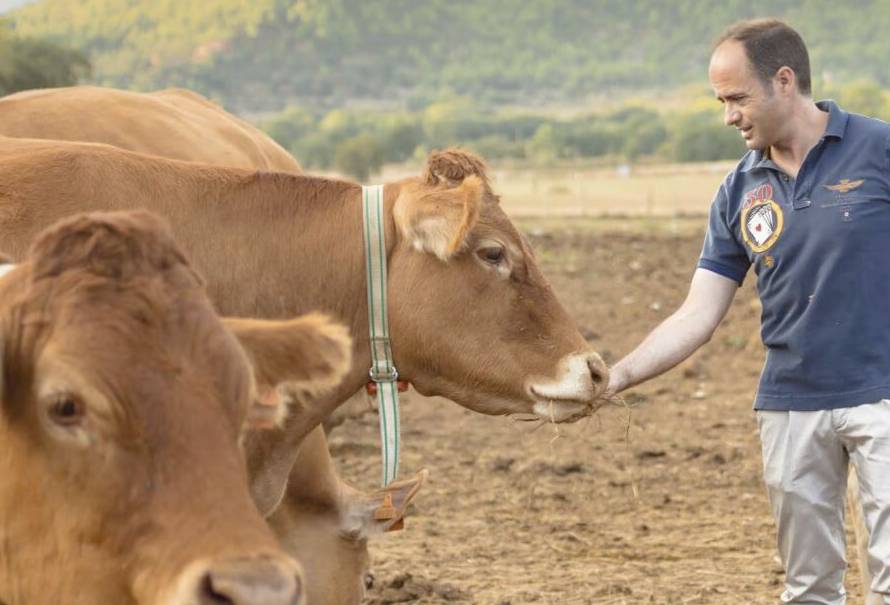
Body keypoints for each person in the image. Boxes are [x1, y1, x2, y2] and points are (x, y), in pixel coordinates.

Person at [606, 18, 890, 605]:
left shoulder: (879, 149)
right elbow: (697, 313)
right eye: (721, 101)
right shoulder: (738, 191)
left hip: (881, 395)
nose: (728, 116)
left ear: (784, 81)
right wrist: (619, 375)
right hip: (789, 409)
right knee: (809, 588)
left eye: (737, 98)